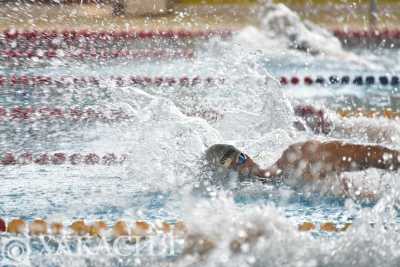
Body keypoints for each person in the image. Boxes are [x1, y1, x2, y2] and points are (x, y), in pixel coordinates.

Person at [205, 141, 400, 198]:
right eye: (232, 168)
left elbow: (364, 154)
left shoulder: (296, 158)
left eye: (241, 158)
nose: (243, 168)